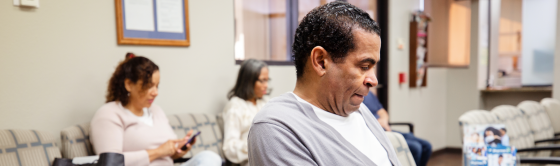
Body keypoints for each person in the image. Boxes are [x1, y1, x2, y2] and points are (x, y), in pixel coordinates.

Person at [248, 2, 400, 165]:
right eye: (364, 66)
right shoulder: (276, 128)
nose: (374, 80)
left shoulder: (360, 111)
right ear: (321, 62)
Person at [90, 53, 222, 166]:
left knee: (210, 157)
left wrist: (178, 149)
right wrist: (159, 151)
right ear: (129, 84)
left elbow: (169, 156)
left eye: (157, 86)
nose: (156, 92)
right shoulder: (109, 114)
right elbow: (110, 163)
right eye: (149, 86)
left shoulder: (156, 110)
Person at [363, 91, 433, 166]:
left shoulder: (369, 94)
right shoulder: (355, 98)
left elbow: (382, 112)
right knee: (416, 147)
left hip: (388, 130)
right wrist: (376, 123)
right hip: (377, 134)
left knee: (426, 145)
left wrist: (383, 120)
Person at [222, 59, 269, 166]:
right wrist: (258, 146)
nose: (266, 85)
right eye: (262, 81)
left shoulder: (266, 103)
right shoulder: (235, 107)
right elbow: (229, 148)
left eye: (267, 80)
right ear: (249, 81)